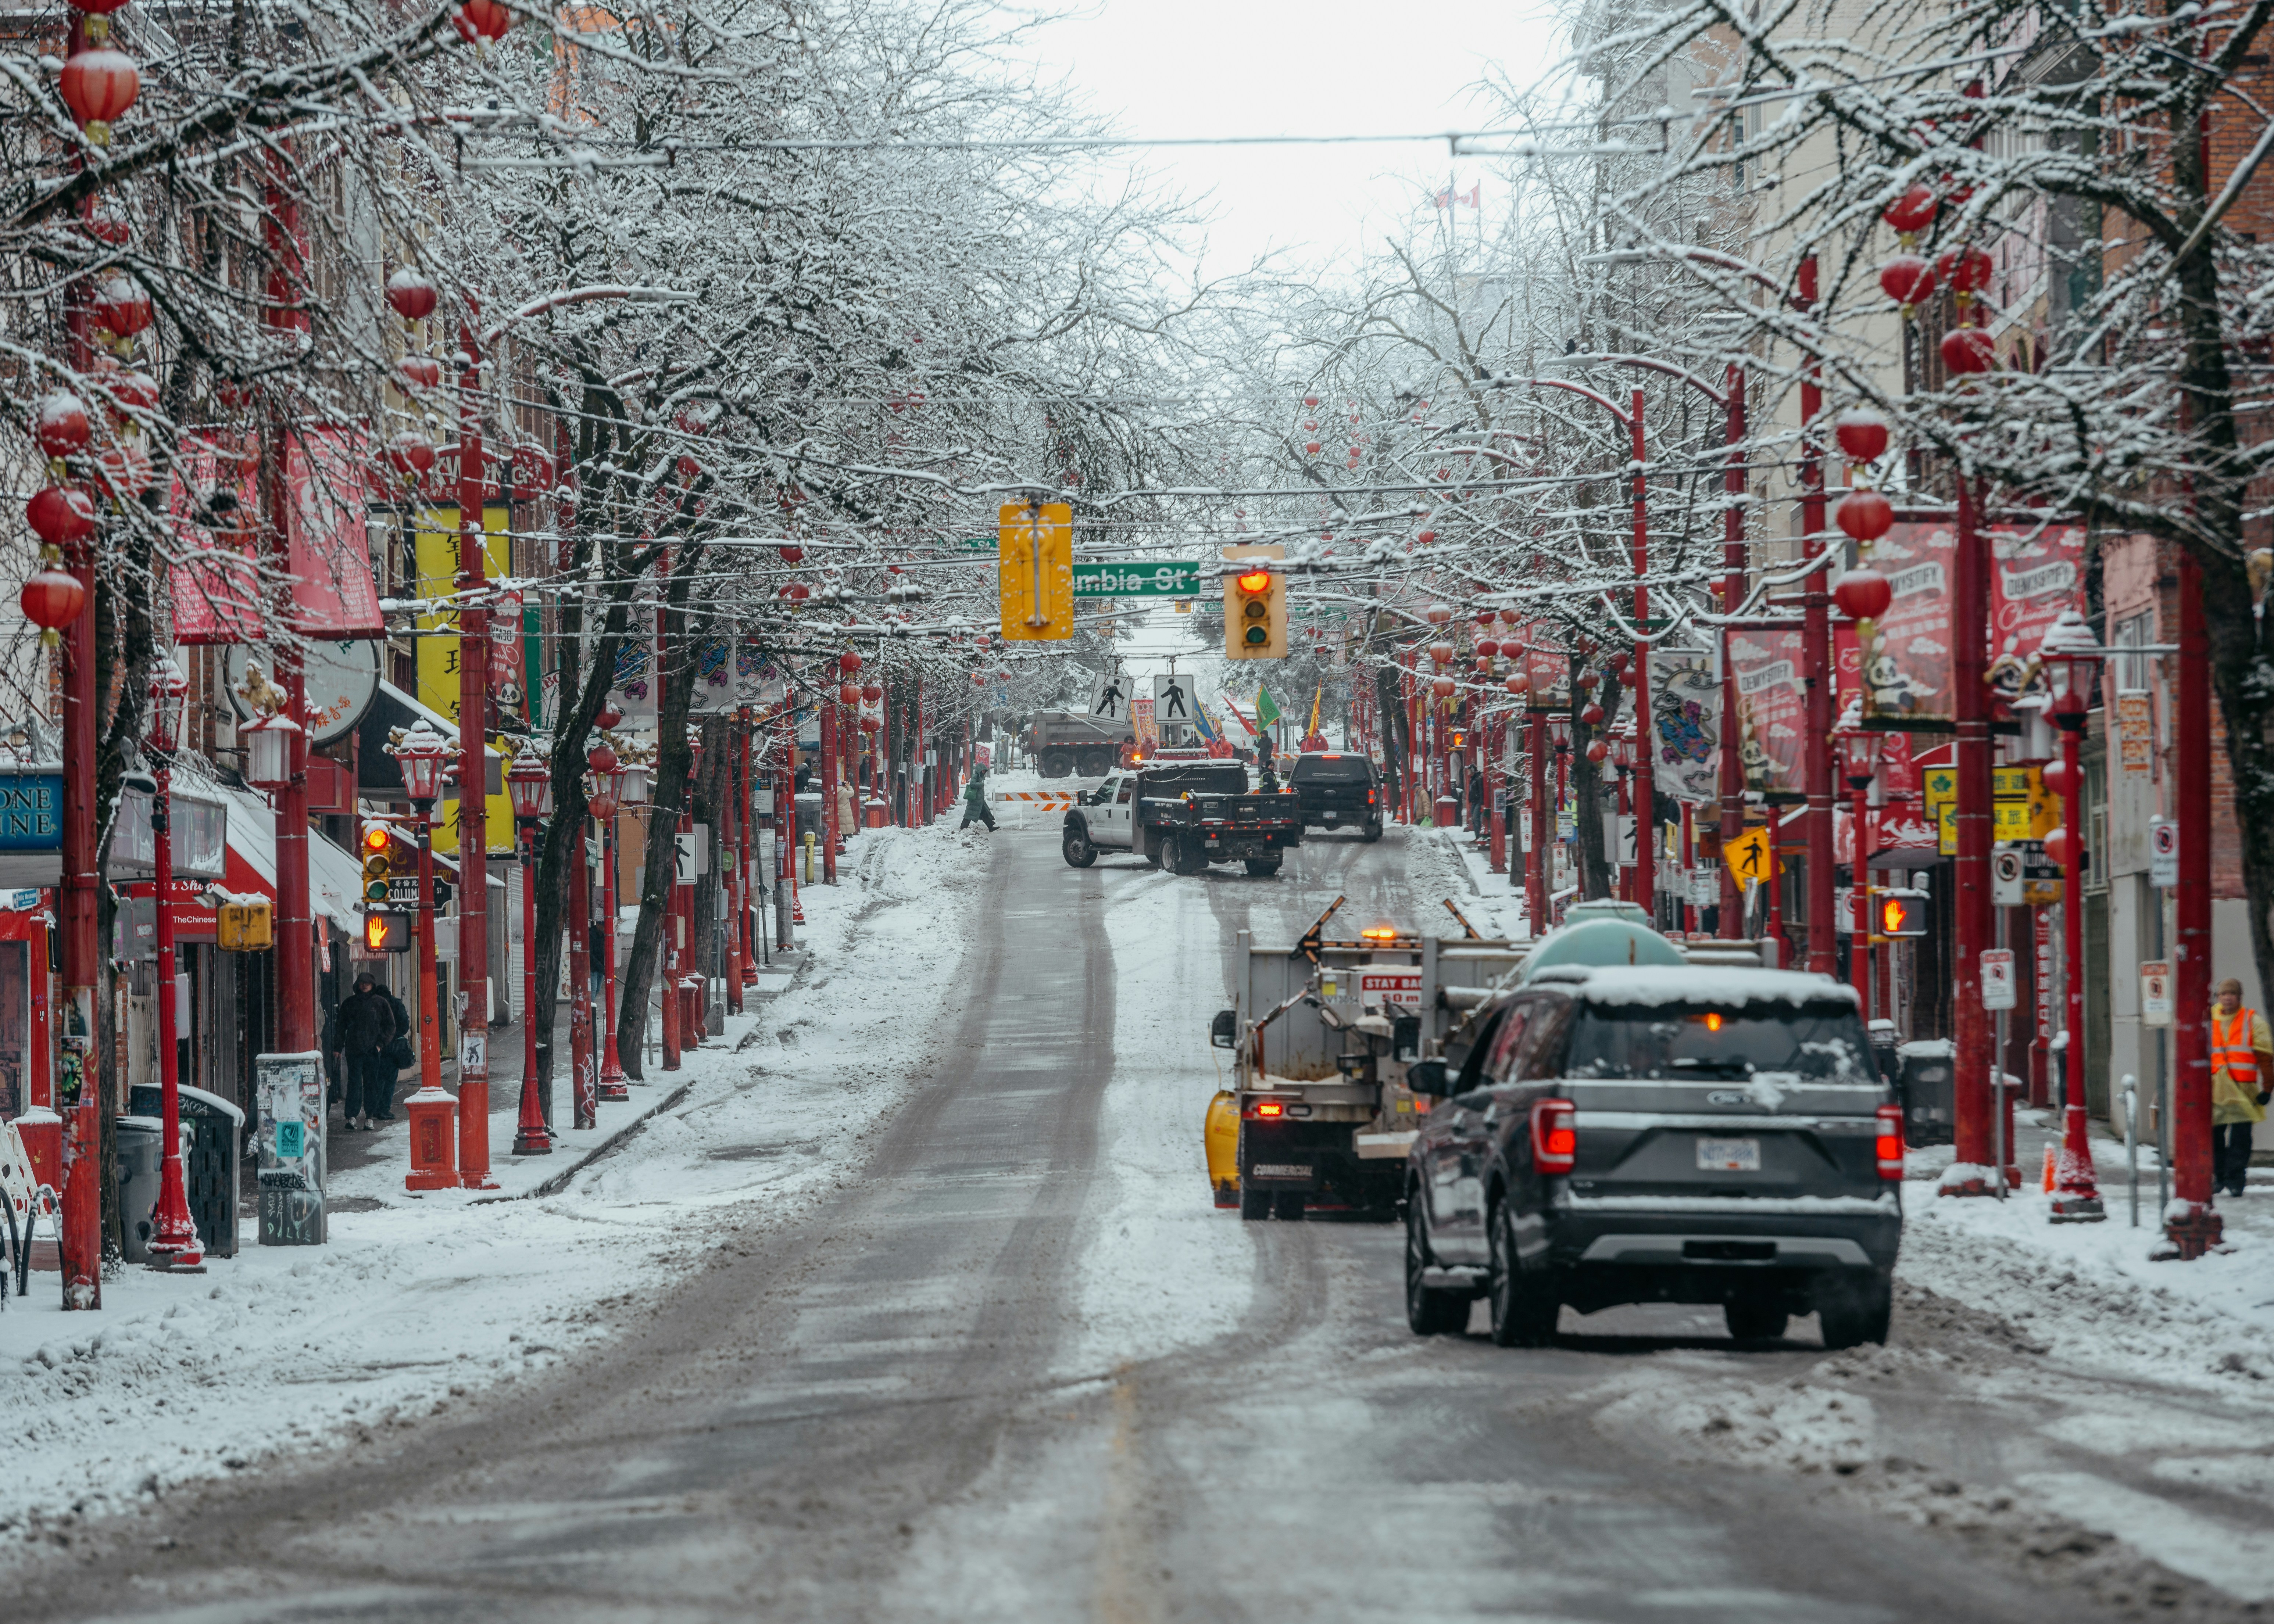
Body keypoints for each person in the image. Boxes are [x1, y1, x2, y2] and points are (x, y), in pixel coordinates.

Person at [2211, 976, 2272, 1198]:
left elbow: (2265, 1058)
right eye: (2223, 994)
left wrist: (2267, 1088)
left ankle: (2236, 1179)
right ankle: (2219, 1177)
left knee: (2241, 1139)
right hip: (2216, 1089)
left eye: (2232, 994)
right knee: (2214, 1136)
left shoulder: (2253, 1022)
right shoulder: (2210, 1019)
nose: (2227, 998)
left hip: (2243, 1091)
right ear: (2218, 997)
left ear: (2239, 997)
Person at [329, 972, 400, 1131]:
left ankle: (369, 1116)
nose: (365, 985)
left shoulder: (380, 1003)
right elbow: (341, 1027)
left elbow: (391, 1026)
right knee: (354, 1084)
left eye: (368, 983)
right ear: (358, 984)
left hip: (372, 1051)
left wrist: (380, 1044)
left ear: (372, 985)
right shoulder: (350, 1003)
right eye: (362, 982)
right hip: (354, 1049)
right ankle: (352, 1116)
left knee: (371, 1083)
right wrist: (338, 1048)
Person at [961, 763, 997, 831]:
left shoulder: (980, 777)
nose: (984, 772)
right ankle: (963, 827)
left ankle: (991, 827)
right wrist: (981, 784)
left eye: (984, 771)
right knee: (969, 814)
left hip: (979, 800)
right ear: (979, 770)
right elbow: (972, 784)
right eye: (983, 771)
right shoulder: (976, 776)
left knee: (984, 813)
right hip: (975, 800)